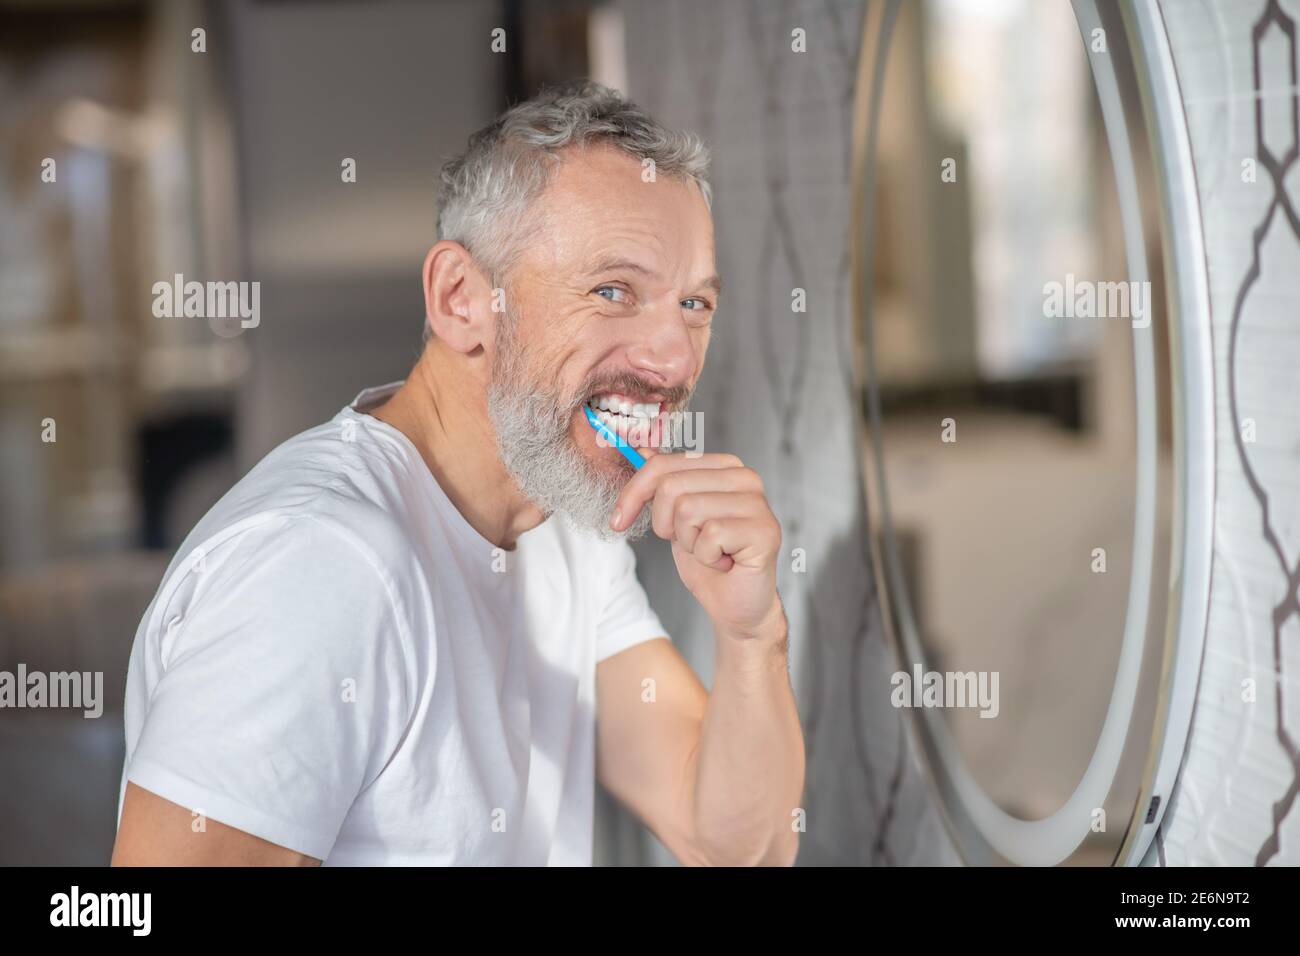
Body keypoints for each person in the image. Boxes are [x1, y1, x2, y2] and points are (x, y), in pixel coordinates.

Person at [111, 81, 805, 866]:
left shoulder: (565, 527)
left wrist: (753, 635)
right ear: (461, 299)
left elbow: (734, 844)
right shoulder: (317, 565)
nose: (675, 358)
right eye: (613, 291)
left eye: (694, 305)